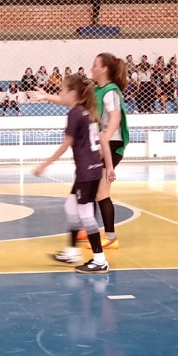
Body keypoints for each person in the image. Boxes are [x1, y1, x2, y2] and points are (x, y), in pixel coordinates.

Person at [32, 52, 129, 250]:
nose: (92, 68)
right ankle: (87, 229)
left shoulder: (111, 91)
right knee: (90, 189)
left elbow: (115, 118)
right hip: (102, 143)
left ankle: (110, 237)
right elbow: (70, 100)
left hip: (112, 144)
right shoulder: (94, 89)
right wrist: (45, 97)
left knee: (101, 192)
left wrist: (105, 138)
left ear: (104, 69)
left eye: (95, 65)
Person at [33, 74, 115, 274]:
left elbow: (66, 144)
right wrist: (109, 166)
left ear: (72, 93)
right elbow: (101, 142)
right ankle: (72, 252)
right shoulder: (88, 111)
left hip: (87, 172)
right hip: (91, 169)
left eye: (62, 90)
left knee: (86, 214)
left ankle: (99, 260)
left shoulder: (75, 114)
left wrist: (45, 164)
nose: (60, 94)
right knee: (71, 206)